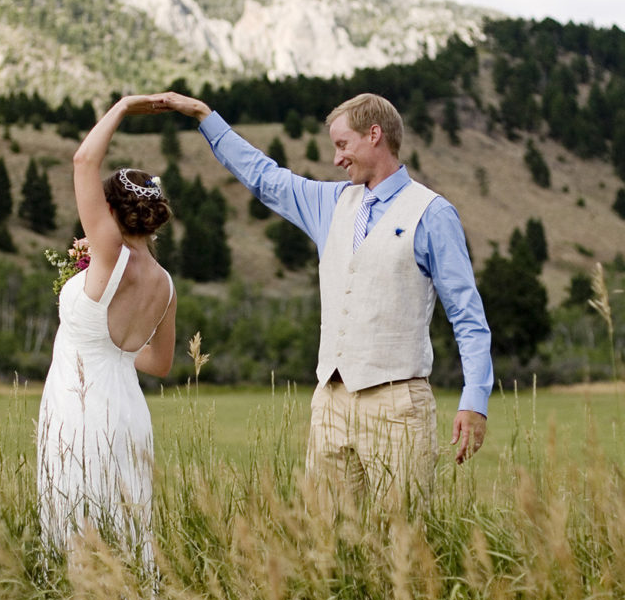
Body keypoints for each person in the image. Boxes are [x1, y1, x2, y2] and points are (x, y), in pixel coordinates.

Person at [155, 91, 492, 503]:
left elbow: (467, 315)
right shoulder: (329, 203)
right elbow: (263, 176)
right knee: (326, 540)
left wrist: (475, 399)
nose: (337, 159)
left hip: (398, 404)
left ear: (374, 135)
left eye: (342, 144)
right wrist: (204, 116)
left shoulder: (433, 213)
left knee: (402, 541)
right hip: (329, 403)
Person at [37, 95, 176, 563]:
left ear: (110, 210)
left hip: (83, 407)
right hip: (129, 412)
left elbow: (83, 159)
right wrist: (112, 350)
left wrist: (122, 107)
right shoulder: (166, 284)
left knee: (76, 525)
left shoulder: (109, 253)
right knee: (126, 530)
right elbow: (159, 363)